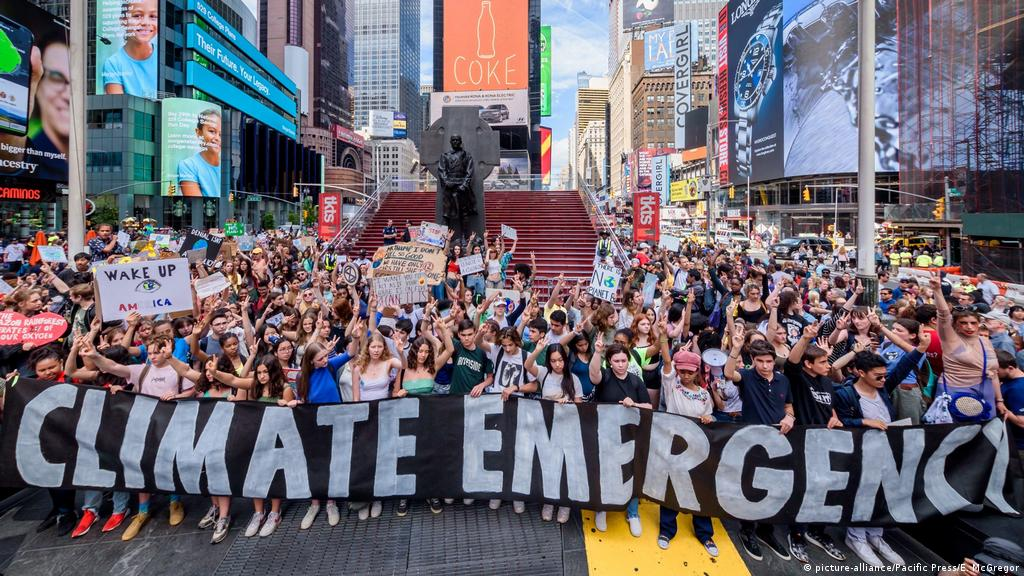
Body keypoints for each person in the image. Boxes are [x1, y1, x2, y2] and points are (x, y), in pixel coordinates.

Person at [83, 336, 195, 541]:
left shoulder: (178, 369)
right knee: (143, 466)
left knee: (169, 464)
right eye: (149, 353)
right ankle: (143, 511)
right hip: (145, 426)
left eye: (157, 352)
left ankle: (175, 502)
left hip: (171, 424)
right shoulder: (141, 370)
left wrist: (176, 396)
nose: (152, 356)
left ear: (166, 351)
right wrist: (95, 356)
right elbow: (112, 367)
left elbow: (192, 390)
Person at [832, 338, 930, 567]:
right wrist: (863, 421)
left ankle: (875, 535)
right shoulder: (845, 393)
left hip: (886, 450)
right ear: (860, 373)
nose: (884, 379)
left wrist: (921, 349)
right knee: (862, 493)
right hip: (861, 453)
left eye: (885, 375)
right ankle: (856, 537)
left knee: (882, 492)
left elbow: (904, 366)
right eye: (878, 376)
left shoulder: (883, 388)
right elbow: (841, 421)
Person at [723, 328, 794, 562]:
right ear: (753, 360)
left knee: (773, 489)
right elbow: (729, 373)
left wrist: (790, 417)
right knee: (751, 488)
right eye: (760, 361)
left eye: (769, 361)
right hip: (752, 442)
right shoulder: (747, 376)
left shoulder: (783, 380)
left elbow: (788, 405)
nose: (765, 366)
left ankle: (766, 530)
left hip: (778, 444)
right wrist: (735, 349)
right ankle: (747, 530)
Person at [782, 323, 847, 562]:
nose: (828, 365)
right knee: (803, 490)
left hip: (825, 443)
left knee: (825, 489)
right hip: (802, 443)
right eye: (822, 362)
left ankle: (817, 531)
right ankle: (796, 534)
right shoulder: (798, 378)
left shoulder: (827, 381)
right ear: (809, 364)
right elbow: (792, 362)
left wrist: (835, 418)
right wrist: (805, 338)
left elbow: (830, 407)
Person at [656, 339, 719, 557]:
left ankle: (705, 534)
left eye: (689, 372)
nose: (685, 375)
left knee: (700, 490)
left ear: (696, 372)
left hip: (698, 449)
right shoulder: (672, 386)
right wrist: (662, 336)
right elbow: (666, 362)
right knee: (671, 488)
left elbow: (710, 414)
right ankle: (666, 530)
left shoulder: (704, 394)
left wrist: (709, 418)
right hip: (674, 446)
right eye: (681, 371)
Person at [588, 340, 652, 537]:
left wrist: (634, 404)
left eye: (624, 360)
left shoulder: (636, 381)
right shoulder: (605, 376)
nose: (621, 364)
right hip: (605, 435)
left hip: (630, 437)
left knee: (631, 474)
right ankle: (602, 508)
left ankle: (633, 514)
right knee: (605, 473)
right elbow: (594, 375)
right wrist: (597, 353)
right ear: (610, 361)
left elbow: (649, 407)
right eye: (616, 361)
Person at [351, 332, 402, 520]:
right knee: (365, 458)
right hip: (365, 418)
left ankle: (378, 498)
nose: (376, 350)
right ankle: (365, 499)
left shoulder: (388, 363)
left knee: (381, 457)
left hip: (384, 416)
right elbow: (356, 397)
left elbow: (402, 365)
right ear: (368, 348)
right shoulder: (358, 368)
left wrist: (399, 349)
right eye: (373, 346)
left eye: (380, 347)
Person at [100, 0, 158, 98]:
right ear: (123, 21)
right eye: (137, 15)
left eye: (153, 16)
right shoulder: (113, 64)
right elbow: (117, 104)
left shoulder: (165, 58)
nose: (145, 22)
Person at [177, 108, 222, 197]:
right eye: (212, 131)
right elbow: (196, 203)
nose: (217, 138)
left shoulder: (228, 167)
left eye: (221, 134)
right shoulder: (189, 165)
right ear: (199, 132)